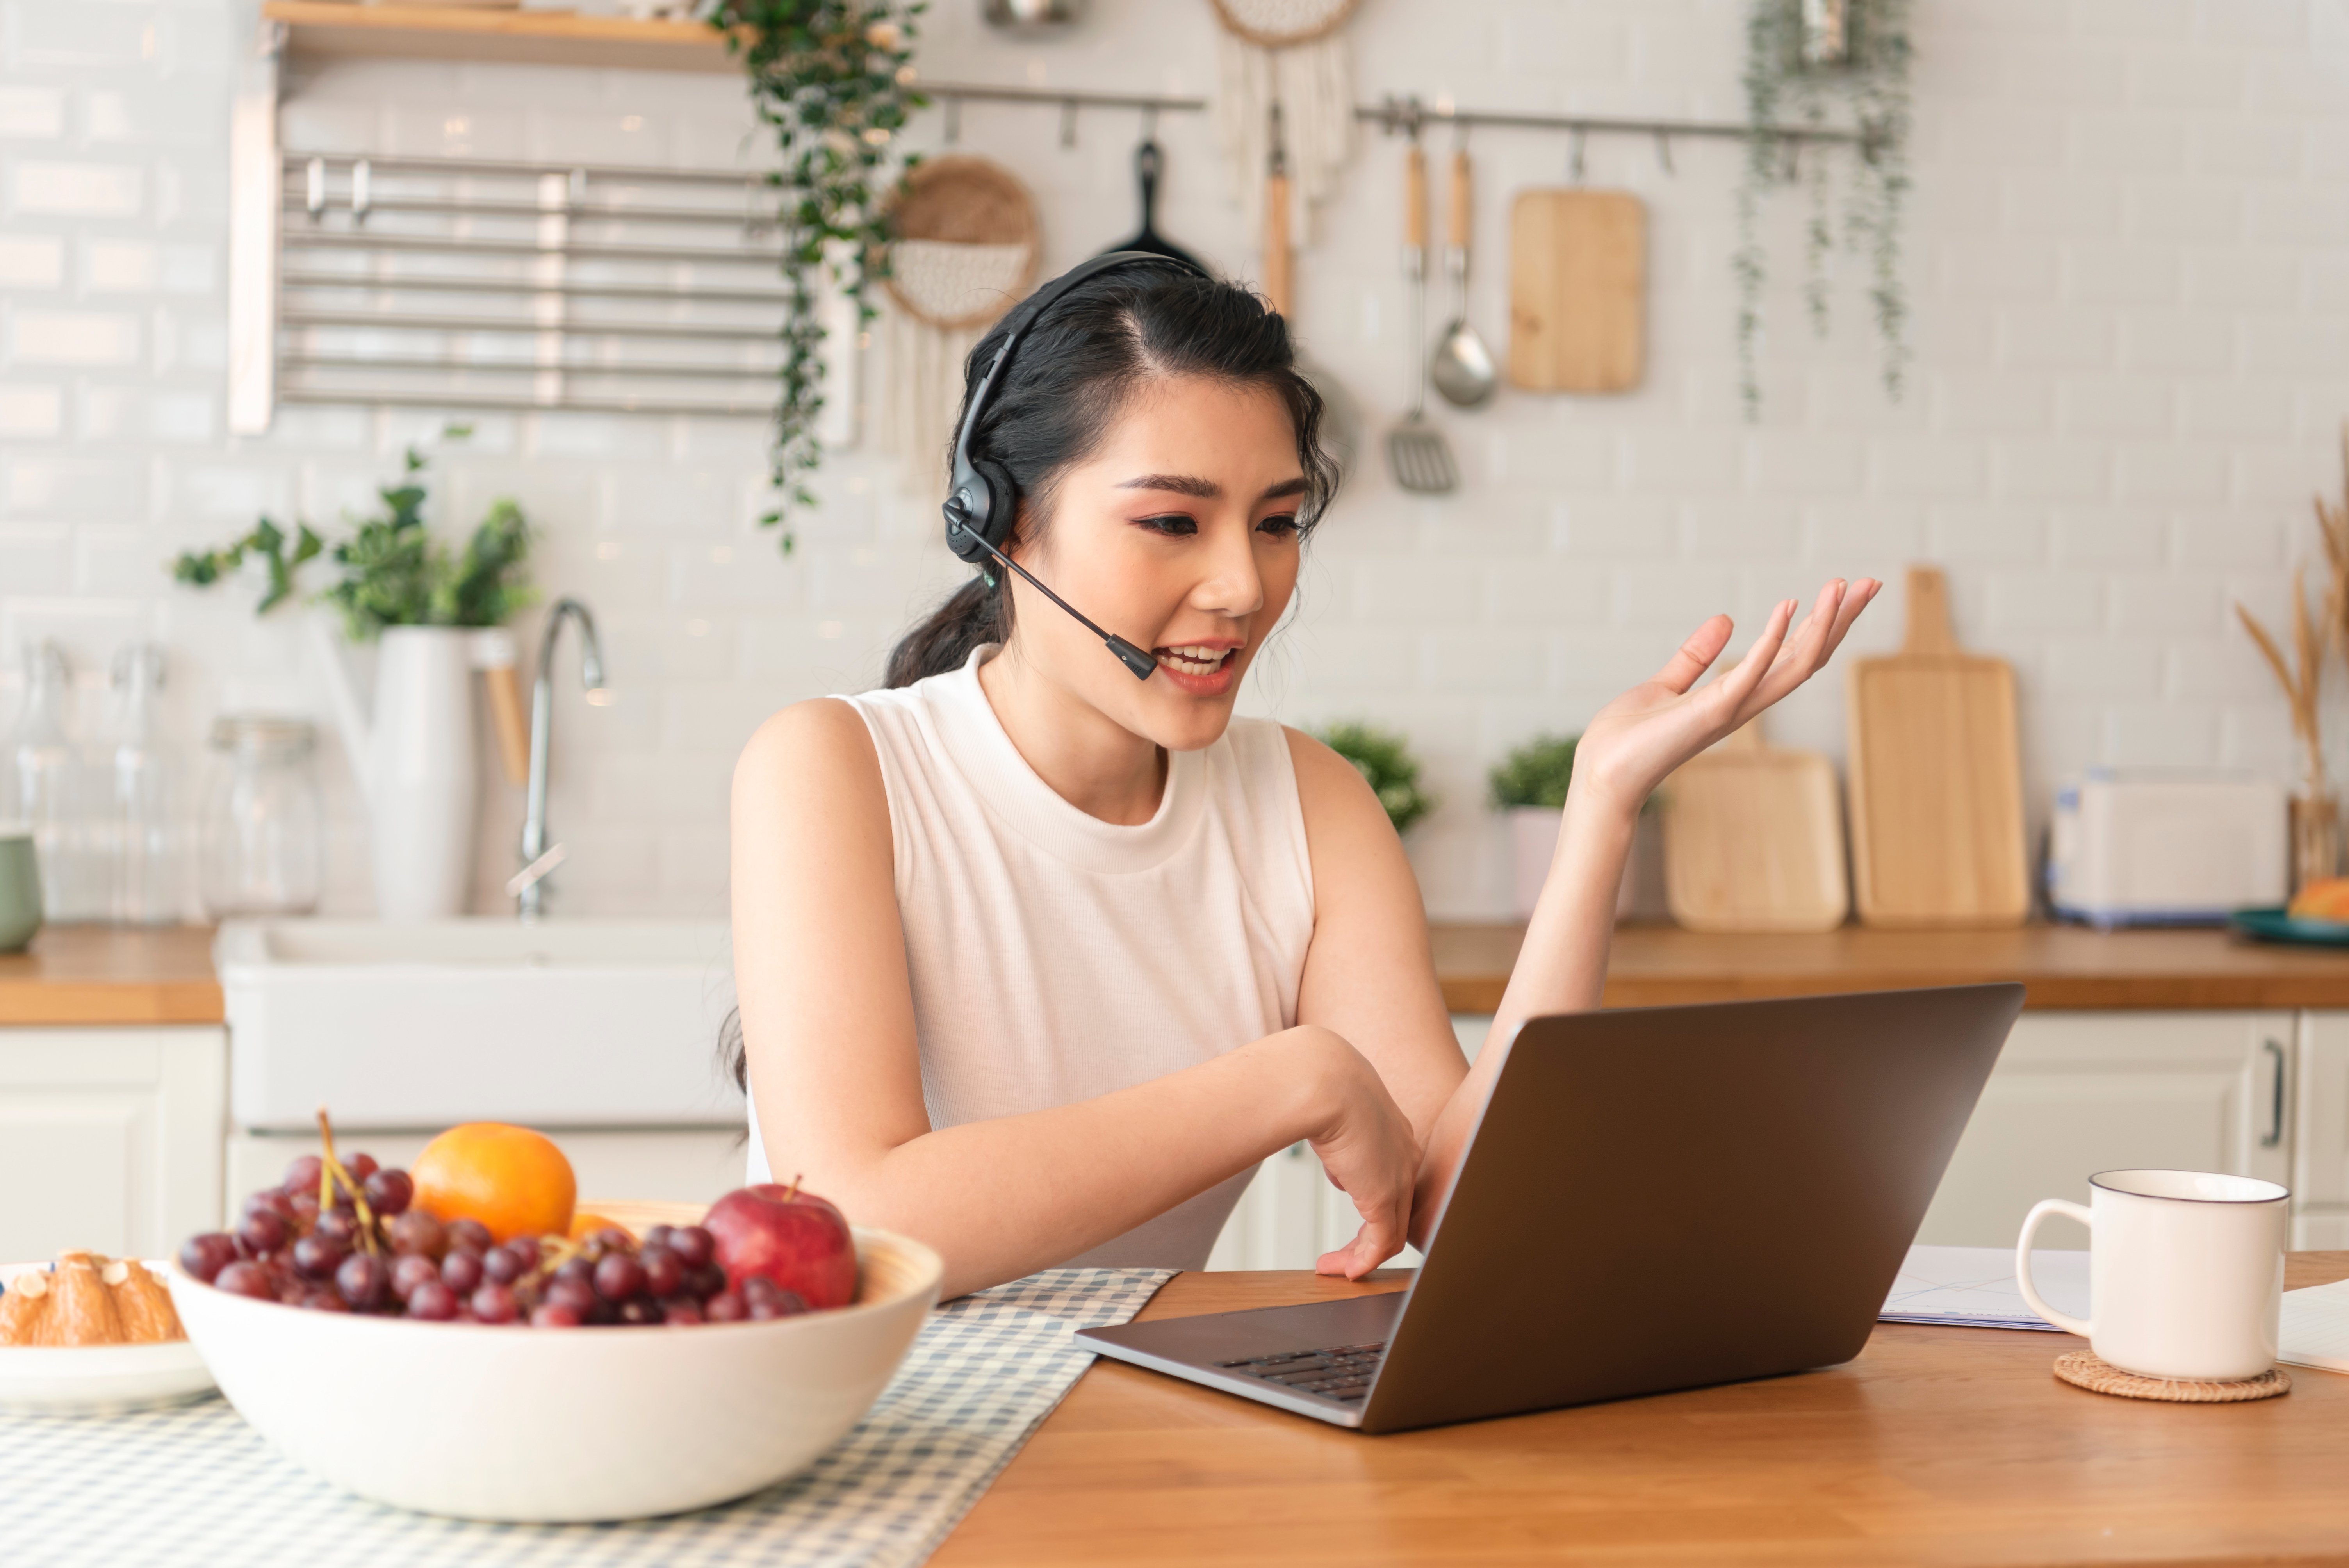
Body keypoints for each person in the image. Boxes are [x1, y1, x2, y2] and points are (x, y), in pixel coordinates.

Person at [729, 256, 1878, 1301]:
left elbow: (1463, 1208)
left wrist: (1602, 810)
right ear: (1002, 522)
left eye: (1278, 523)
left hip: (1118, 1415)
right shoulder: (836, 769)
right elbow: (856, 1224)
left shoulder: (1309, 802)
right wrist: (1287, 1081)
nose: (1242, 586)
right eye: (1172, 521)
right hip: (871, 1419)